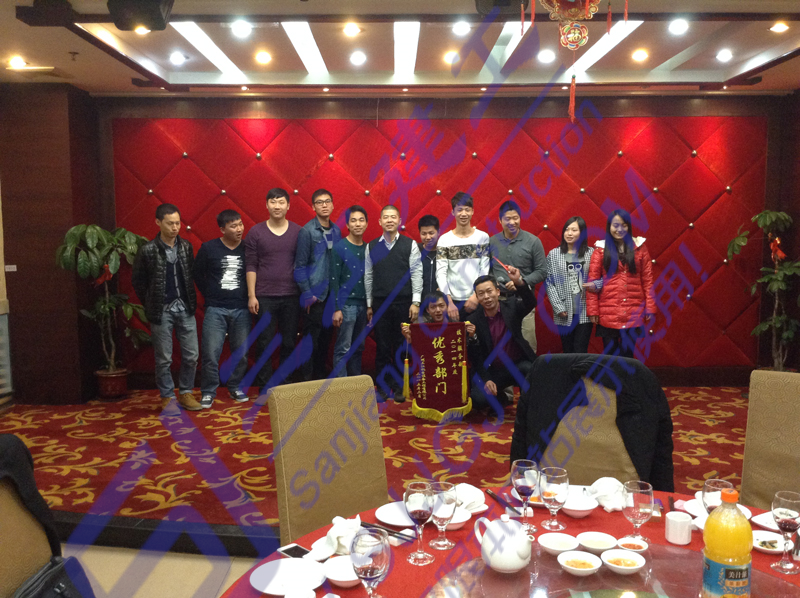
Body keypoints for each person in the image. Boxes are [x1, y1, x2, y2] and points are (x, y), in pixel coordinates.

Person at [132, 204, 200, 412]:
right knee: (164, 359)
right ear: (158, 222)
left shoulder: (186, 247)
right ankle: (168, 397)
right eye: (170, 223)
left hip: (185, 307)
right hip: (161, 310)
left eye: (178, 223)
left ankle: (186, 392)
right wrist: (151, 302)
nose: (175, 227)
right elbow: (138, 281)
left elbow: (190, 275)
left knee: (192, 355)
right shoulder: (148, 250)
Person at [245, 188, 302, 393]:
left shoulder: (299, 232)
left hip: (292, 296)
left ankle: (285, 384)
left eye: (281, 202)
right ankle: (264, 385)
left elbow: (305, 264)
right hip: (264, 296)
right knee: (264, 342)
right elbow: (251, 265)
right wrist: (252, 295)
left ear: (288, 206)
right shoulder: (256, 232)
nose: (277, 206)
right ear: (266, 205)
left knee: (289, 341)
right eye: (273, 202)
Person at [193, 210, 251, 408]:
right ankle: (208, 391)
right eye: (233, 226)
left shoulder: (248, 248)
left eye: (240, 224)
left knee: (241, 353)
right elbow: (197, 274)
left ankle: (235, 386)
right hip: (215, 308)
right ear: (222, 229)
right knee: (210, 353)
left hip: (241, 308)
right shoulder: (209, 248)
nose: (239, 229)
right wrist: (209, 294)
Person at [365, 205, 422, 402]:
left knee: (400, 345)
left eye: (393, 217)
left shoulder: (410, 244)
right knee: (382, 346)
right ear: (380, 221)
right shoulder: (372, 246)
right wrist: (369, 304)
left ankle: (398, 386)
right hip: (380, 303)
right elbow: (368, 276)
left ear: (399, 221)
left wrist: (416, 302)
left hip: (403, 302)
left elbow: (417, 274)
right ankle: (381, 387)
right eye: (386, 217)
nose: (389, 220)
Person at [586, 209, 656, 359]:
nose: (619, 229)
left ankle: (625, 376)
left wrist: (650, 307)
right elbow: (592, 282)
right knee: (610, 356)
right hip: (607, 313)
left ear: (629, 226)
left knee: (627, 356)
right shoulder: (600, 250)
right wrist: (593, 311)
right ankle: (610, 376)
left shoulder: (640, 247)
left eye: (623, 225)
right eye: (615, 225)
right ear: (609, 226)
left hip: (634, 312)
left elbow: (648, 280)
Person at [466, 269, 536, 415]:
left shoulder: (511, 307)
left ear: (497, 292)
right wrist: (486, 379)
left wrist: (519, 282)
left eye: (489, 291)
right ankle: (501, 398)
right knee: (478, 399)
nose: (486, 297)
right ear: (477, 297)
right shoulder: (474, 320)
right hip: (493, 370)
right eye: (481, 294)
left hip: (517, 365)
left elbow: (530, 302)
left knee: (530, 371)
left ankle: (527, 406)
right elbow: (477, 356)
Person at [295, 188, 342, 381]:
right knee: (310, 342)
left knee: (325, 341)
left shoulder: (337, 230)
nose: (324, 205)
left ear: (332, 205)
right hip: (315, 296)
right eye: (319, 202)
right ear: (313, 206)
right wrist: (307, 294)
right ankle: (307, 382)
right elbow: (299, 266)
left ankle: (321, 380)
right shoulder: (307, 231)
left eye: (327, 201)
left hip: (332, 296)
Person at [489, 200, 546, 353]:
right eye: (507, 219)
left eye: (516, 218)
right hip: (499, 303)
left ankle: (530, 368)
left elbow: (542, 271)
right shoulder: (492, 242)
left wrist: (521, 282)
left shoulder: (533, 241)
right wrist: (494, 284)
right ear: (500, 220)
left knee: (528, 345)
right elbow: (487, 270)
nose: (512, 222)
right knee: (501, 346)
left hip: (524, 301)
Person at [545, 216, 600, 354]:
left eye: (574, 230)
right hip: (564, 310)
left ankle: (582, 370)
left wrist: (596, 285)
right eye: (567, 230)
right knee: (568, 350)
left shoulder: (591, 253)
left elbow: (602, 278)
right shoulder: (554, 254)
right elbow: (549, 282)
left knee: (580, 350)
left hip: (585, 310)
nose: (569, 233)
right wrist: (558, 307)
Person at [436, 192, 490, 322]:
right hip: (453, 302)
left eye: (467, 209)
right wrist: (449, 302)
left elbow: (484, 269)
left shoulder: (483, 237)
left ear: (472, 211)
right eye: (459, 210)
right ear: (453, 212)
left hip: (478, 299)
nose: (463, 214)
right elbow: (441, 273)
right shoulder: (444, 240)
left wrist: (476, 296)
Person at [331, 205, 369, 377]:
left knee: (359, 347)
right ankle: (342, 386)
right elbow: (334, 279)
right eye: (353, 221)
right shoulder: (339, 248)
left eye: (361, 220)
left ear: (367, 224)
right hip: (346, 306)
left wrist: (370, 306)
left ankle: (356, 385)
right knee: (343, 348)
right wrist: (336, 308)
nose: (357, 224)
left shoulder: (368, 248)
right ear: (347, 225)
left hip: (364, 305)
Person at [418, 215, 440, 299]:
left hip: (440, 301)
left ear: (438, 232)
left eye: (431, 233)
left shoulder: (445, 251)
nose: (428, 237)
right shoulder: (414, 251)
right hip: (419, 301)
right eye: (424, 234)